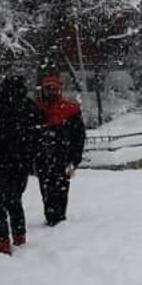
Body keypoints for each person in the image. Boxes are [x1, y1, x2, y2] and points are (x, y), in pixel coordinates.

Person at [0, 75, 37, 254]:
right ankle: (19, 236)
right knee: (15, 201)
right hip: (20, 163)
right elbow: (37, 132)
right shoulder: (28, 107)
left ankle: (2, 240)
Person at [34, 70, 86, 227]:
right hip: (44, 157)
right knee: (47, 189)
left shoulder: (70, 109)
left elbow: (79, 136)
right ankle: (51, 217)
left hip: (63, 157)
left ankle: (59, 218)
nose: (51, 92)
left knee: (61, 189)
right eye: (48, 89)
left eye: (54, 89)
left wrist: (75, 157)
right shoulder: (37, 109)